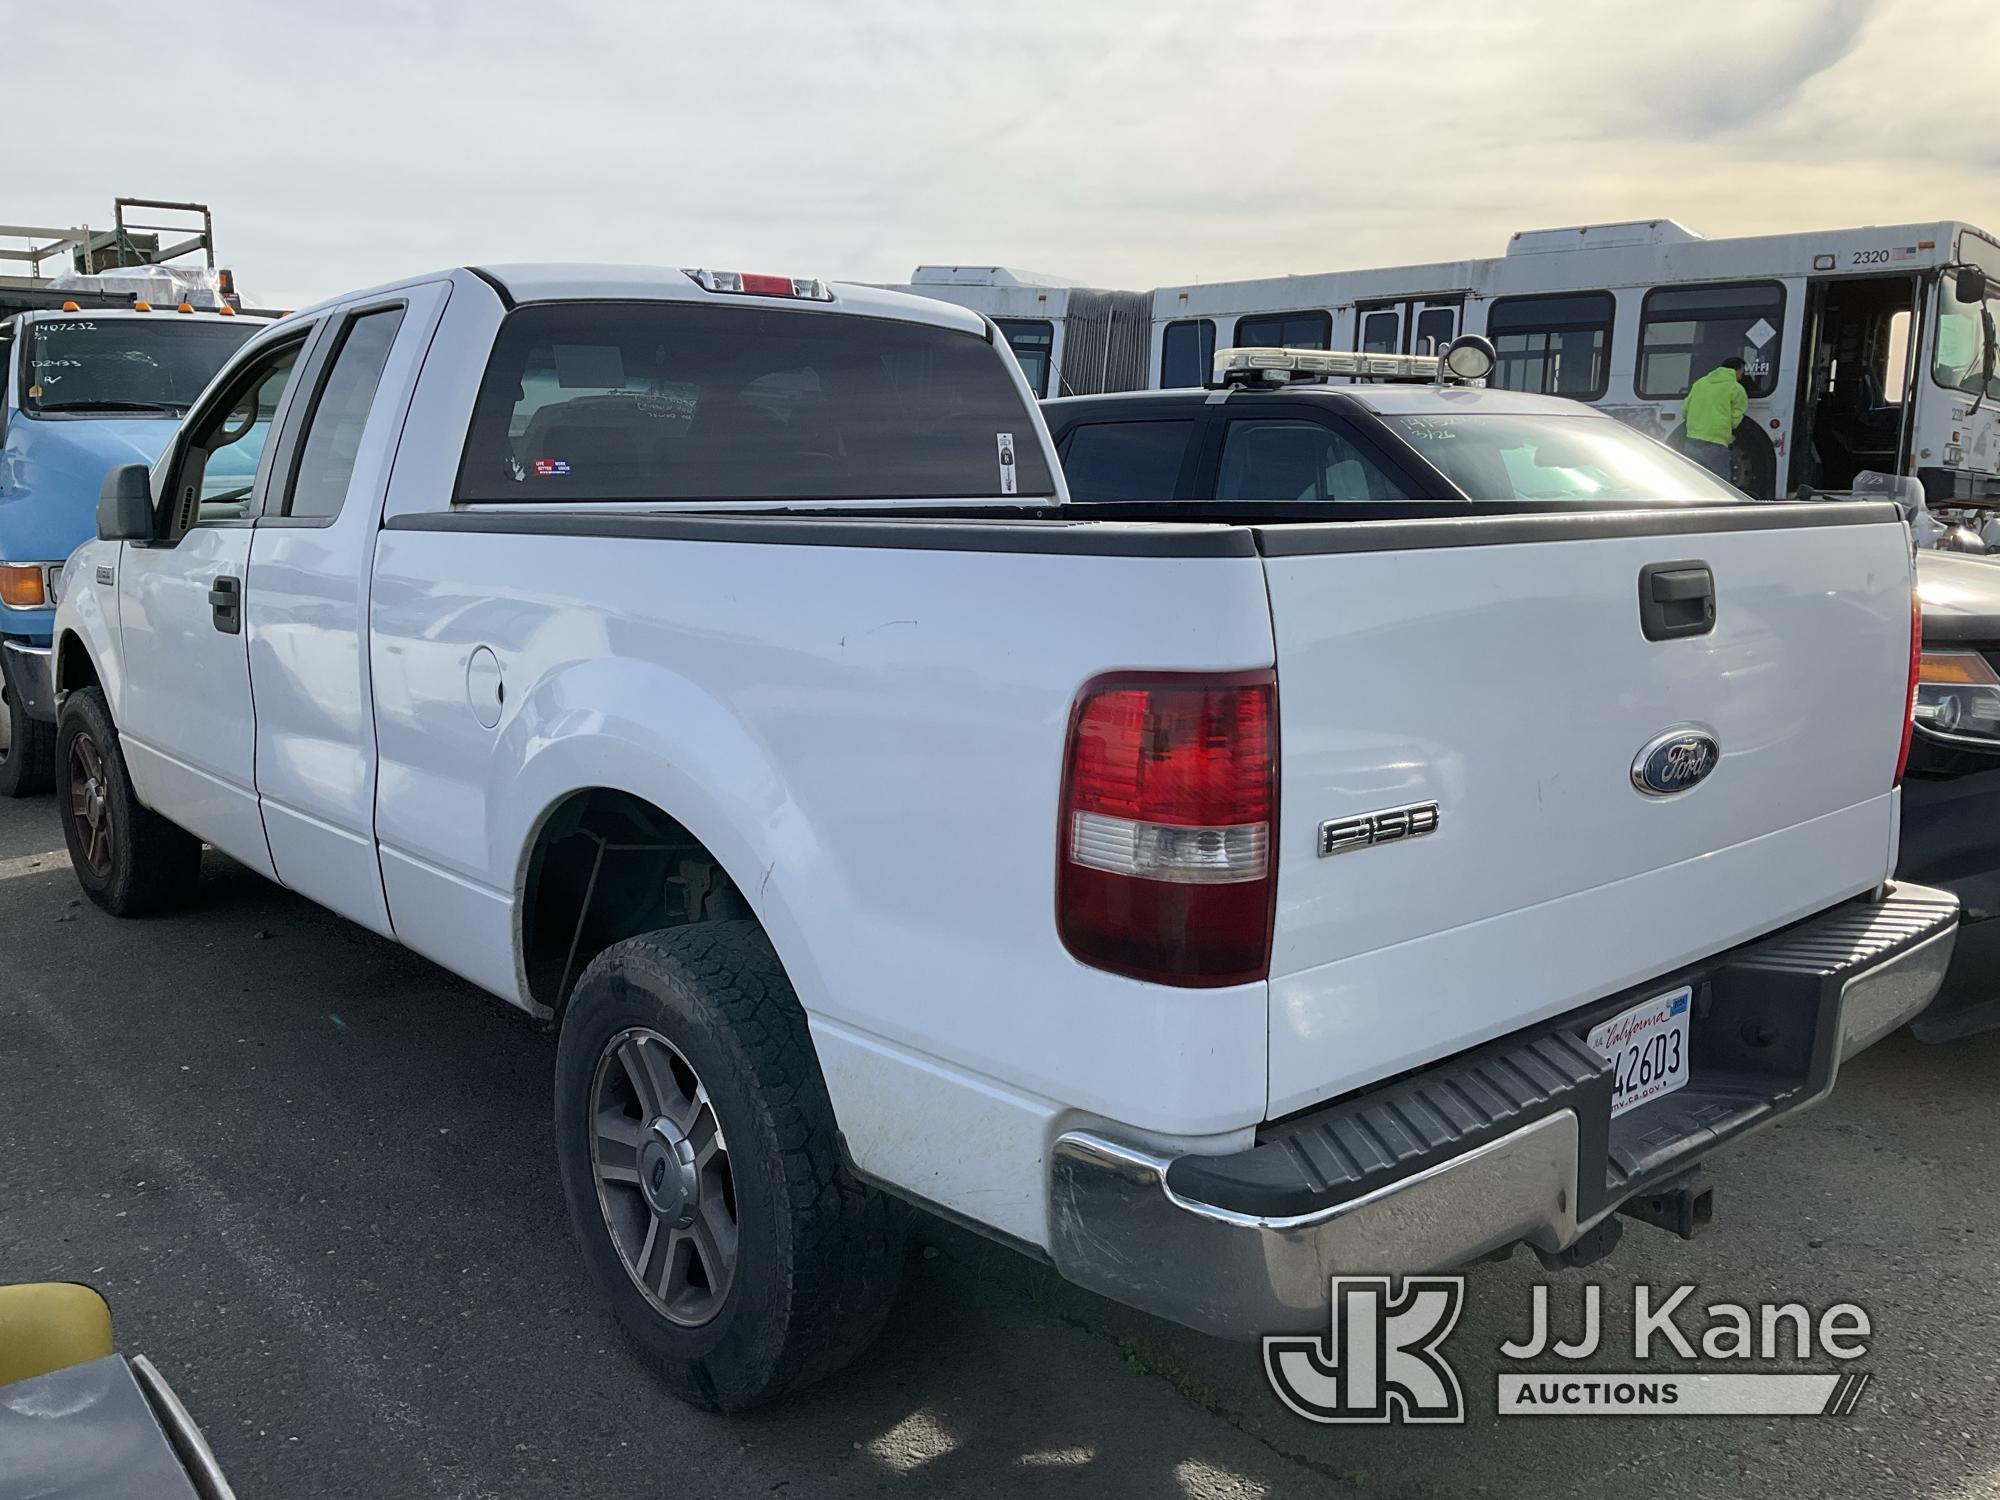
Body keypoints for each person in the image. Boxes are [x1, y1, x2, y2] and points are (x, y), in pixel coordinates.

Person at [1682, 355, 1748, 482]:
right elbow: (1736, 419)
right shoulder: (1736, 389)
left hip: (1692, 441)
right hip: (1716, 443)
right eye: (1742, 372)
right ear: (1737, 370)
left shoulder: (1700, 383)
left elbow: (1685, 410)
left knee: (1693, 481)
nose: (1741, 376)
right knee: (1720, 485)